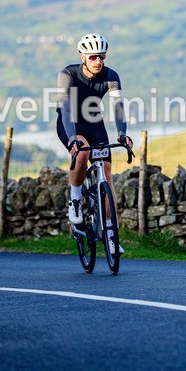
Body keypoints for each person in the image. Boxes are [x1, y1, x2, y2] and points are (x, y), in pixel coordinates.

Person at [56, 33, 133, 255]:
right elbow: (66, 108)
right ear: (83, 57)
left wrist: (122, 133)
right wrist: (72, 138)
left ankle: (111, 235)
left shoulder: (111, 76)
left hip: (94, 123)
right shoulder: (68, 74)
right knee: (81, 154)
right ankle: (76, 198)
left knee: (106, 174)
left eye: (102, 56)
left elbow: (118, 106)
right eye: (92, 57)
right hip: (70, 123)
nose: (98, 61)